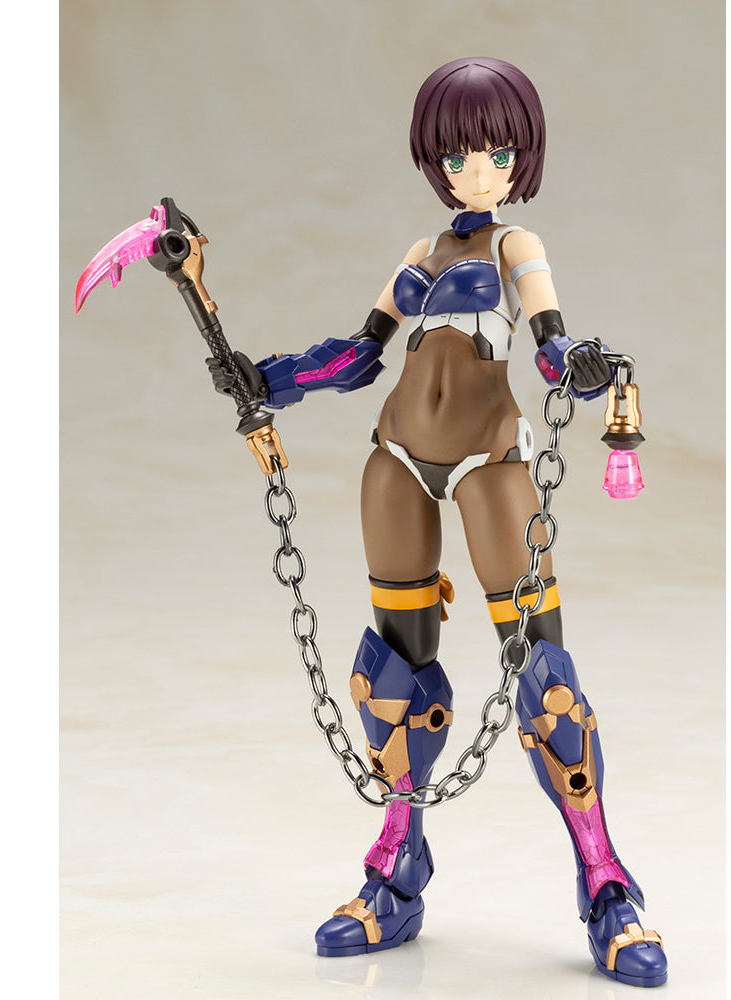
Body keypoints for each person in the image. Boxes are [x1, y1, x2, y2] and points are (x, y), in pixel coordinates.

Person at [211, 57, 667, 989]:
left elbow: (550, 342)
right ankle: (396, 872)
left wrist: (582, 366)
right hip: (397, 460)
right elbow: (357, 356)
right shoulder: (419, 254)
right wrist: (270, 379)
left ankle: (606, 882)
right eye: (458, 155)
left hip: (488, 460)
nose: (477, 170)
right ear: (436, 160)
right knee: (391, 675)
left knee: (544, 678)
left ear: (521, 157)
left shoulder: (517, 245)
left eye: (496, 152)